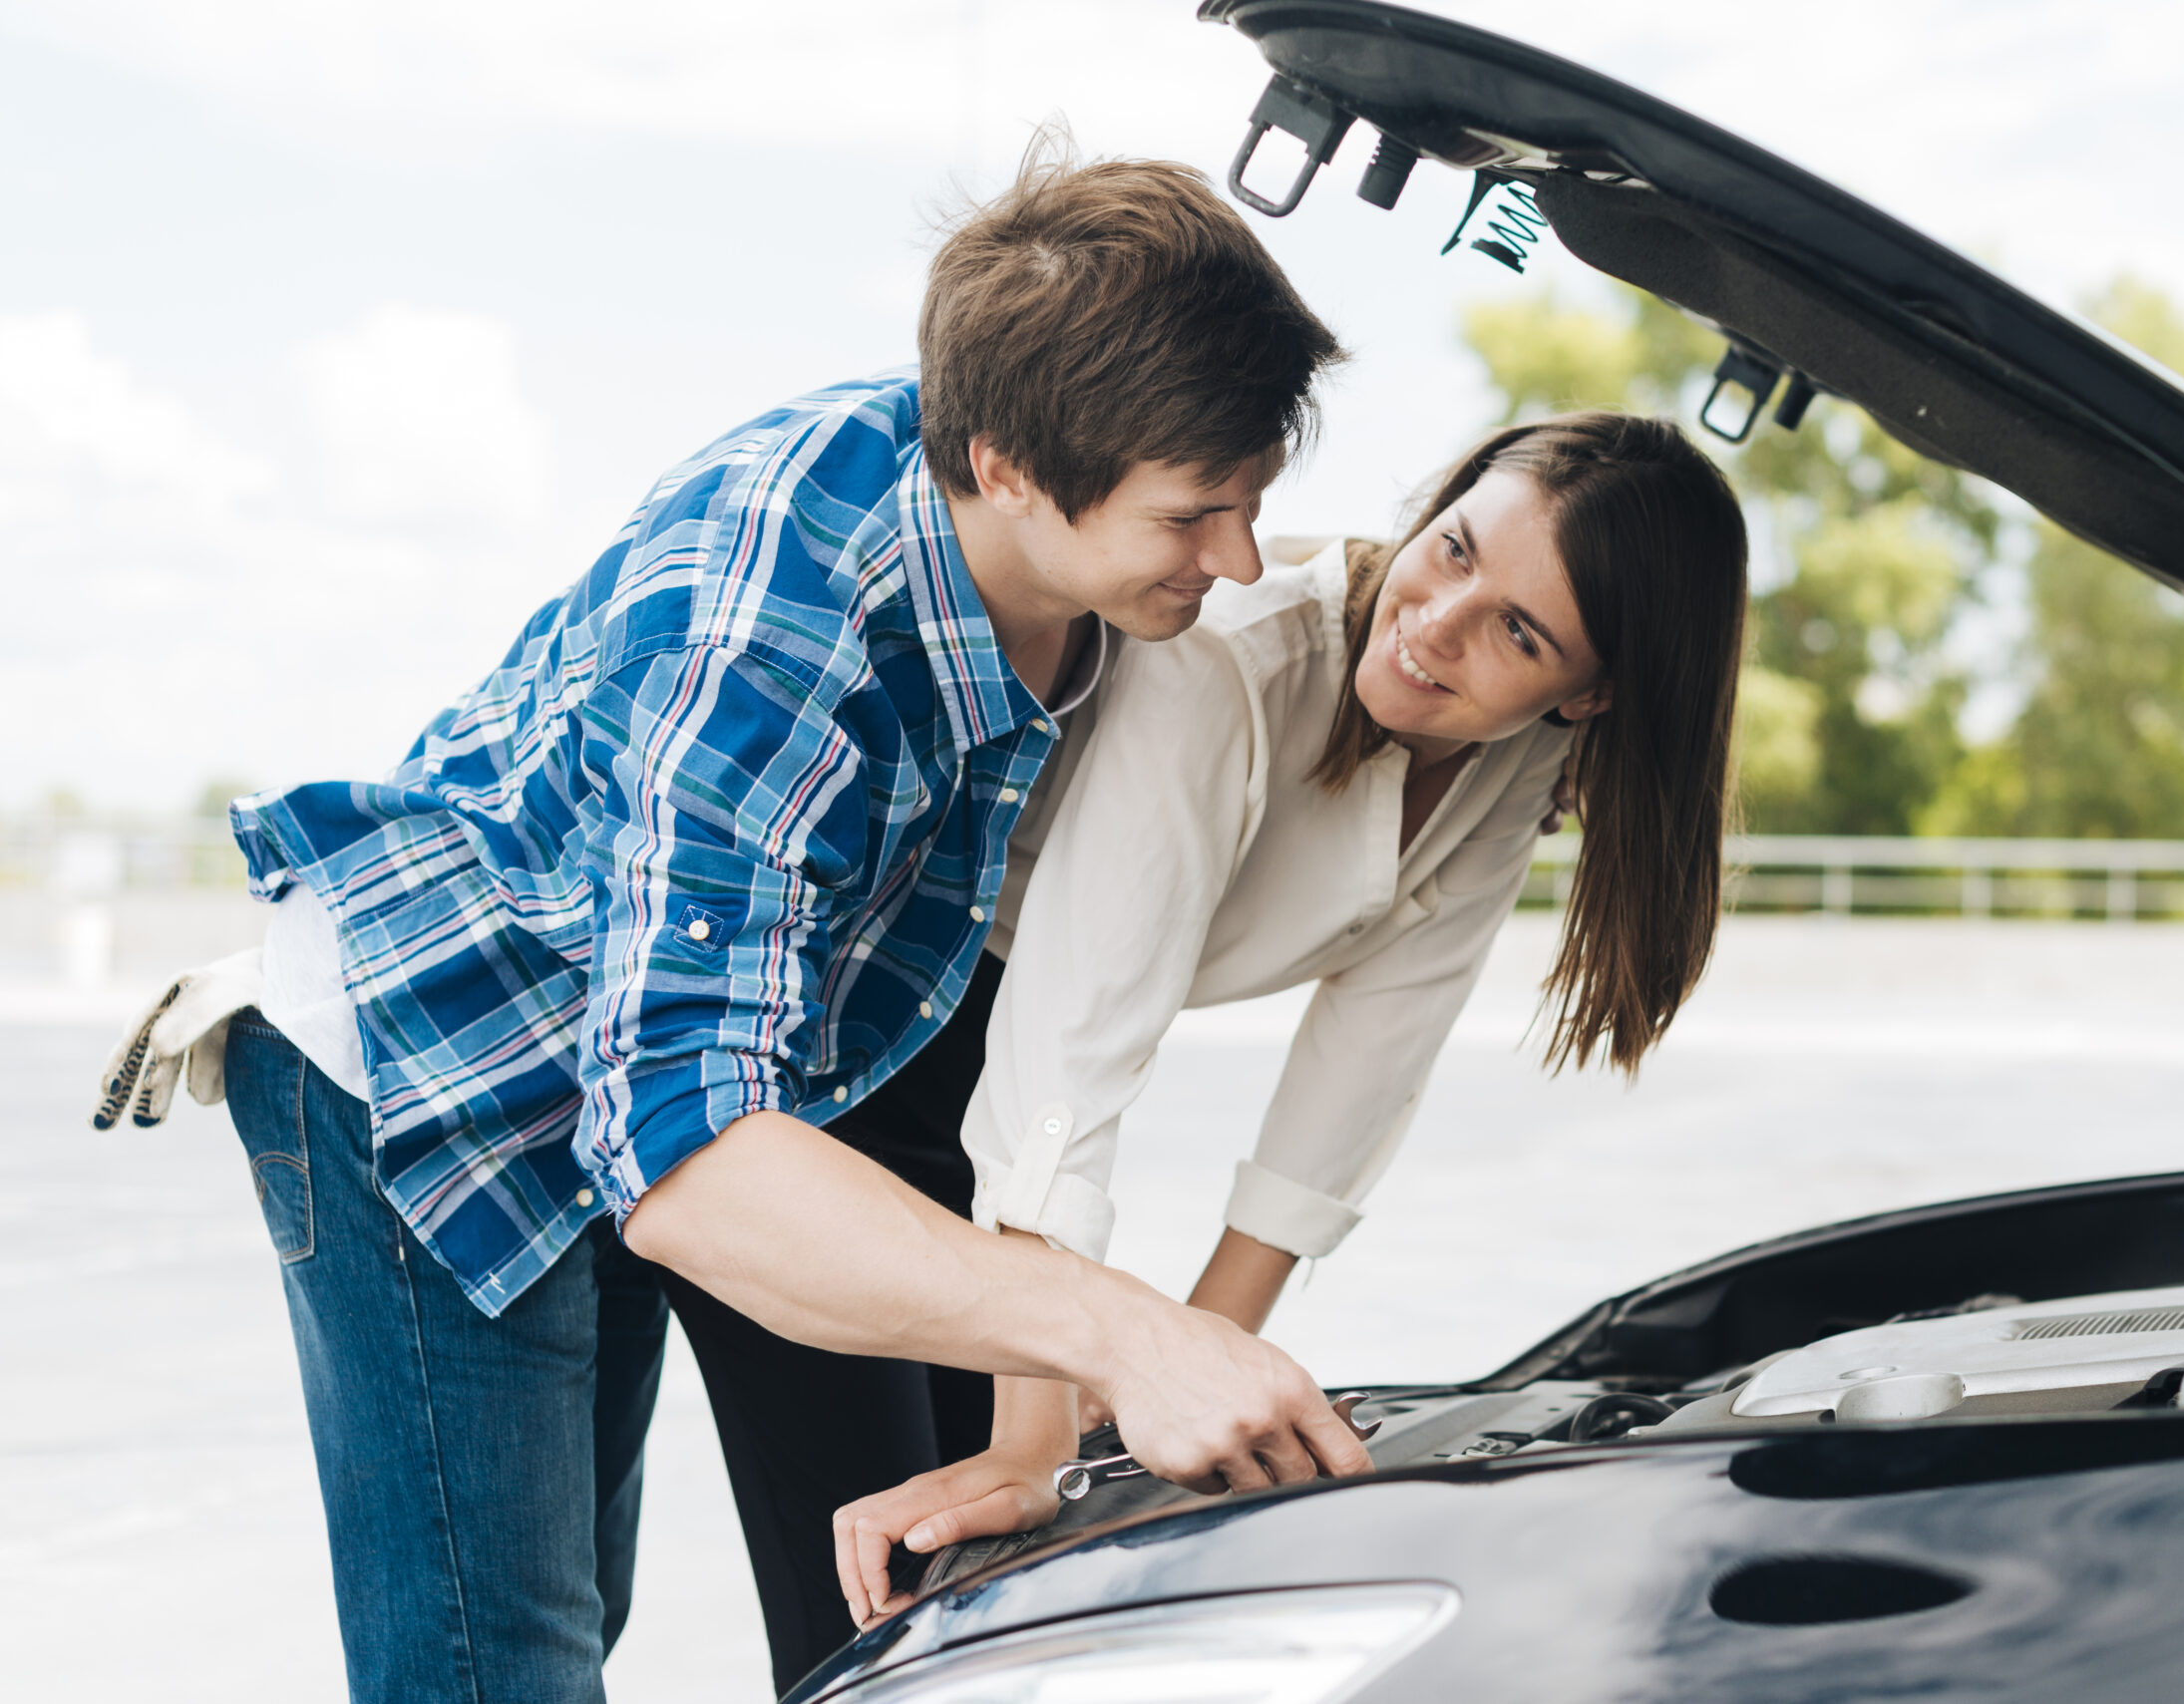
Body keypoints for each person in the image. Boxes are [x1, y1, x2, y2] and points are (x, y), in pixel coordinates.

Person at [90, 147, 1377, 1704]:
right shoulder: (772, 637)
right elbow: (691, 1161)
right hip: (435, 1066)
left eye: (1254, 505)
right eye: (1196, 517)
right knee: (495, 1669)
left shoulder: (1038, 487)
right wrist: (1125, 1335)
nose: (1237, 558)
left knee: (580, 1604)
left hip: (626, 1068)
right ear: (1012, 468)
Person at [708, 407, 1748, 1640]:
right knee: (886, 1587)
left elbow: (1368, 1060)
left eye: (1518, 632)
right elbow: (1071, 1038)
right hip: (863, 1057)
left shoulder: (1512, 762)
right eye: (1456, 549)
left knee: (1016, 1581)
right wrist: (1042, 1427)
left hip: (1006, 1077)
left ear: (1591, 696)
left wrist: (1195, 1350)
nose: (1437, 623)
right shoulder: (1233, 654)